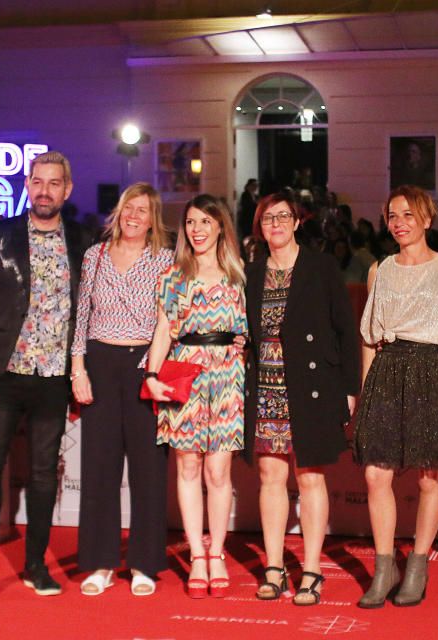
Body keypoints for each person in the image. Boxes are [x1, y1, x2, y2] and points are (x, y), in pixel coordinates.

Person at [0, 151, 81, 600]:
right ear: (27, 185)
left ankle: (35, 567)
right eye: (37, 182)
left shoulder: (80, 240)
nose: (45, 190)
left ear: (67, 189)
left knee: (45, 475)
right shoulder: (1, 234)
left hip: (53, 377)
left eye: (54, 183)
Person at [244, 192, 359, 606]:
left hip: (312, 387)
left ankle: (311, 570)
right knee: (271, 478)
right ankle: (274, 567)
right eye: (267, 218)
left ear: (297, 222)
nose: (275, 223)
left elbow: (345, 329)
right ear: (260, 226)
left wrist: (349, 388)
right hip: (268, 387)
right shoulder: (251, 273)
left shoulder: (321, 266)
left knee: (311, 479)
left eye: (283, 216)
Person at [354, 186, 438, 609]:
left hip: (435, 371)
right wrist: (365, 392)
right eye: (392, 216)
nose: (399, 223)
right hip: (388, 366)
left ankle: (417, 564)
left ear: (427, 219)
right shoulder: (379, 270)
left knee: (429, 477)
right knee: (376, 474)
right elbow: (368, 336)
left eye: (407, 214)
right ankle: (385, 568)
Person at [70, 182, 174, 597]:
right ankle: (101, 562)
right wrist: (78, 368)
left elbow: (169, 321)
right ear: (118, 211)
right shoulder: (94, 257)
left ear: (153, 220)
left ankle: (145, 563)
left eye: (143, 211)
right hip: (99, 362)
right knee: (99, 467)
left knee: (149, 469)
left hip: (144, 367)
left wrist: (154, 367)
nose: (134, 216)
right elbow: (81, 317)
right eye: (129, 208)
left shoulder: (166, 260)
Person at [143, 194, 247, 599]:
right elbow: (163, 330)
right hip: (183, 374)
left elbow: (250, 327)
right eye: (190, 222)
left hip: (226, 375)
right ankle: (197, 558)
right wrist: (152, 374)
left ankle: (217, 552)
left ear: (221, 226)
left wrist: (243, 342)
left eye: (205, 221)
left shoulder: (238, 274)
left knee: (218, 472)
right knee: (187, 468)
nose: (197, 230)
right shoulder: (172, 277)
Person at [236, 179, 258, 245]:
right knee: (246, 237)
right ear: (249, 186)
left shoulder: (256, 196)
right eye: (254, 185)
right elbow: (247, 206)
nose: (255, 187)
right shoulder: (245, 195)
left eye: (256, 185)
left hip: (253, 220)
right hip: (246, 219)